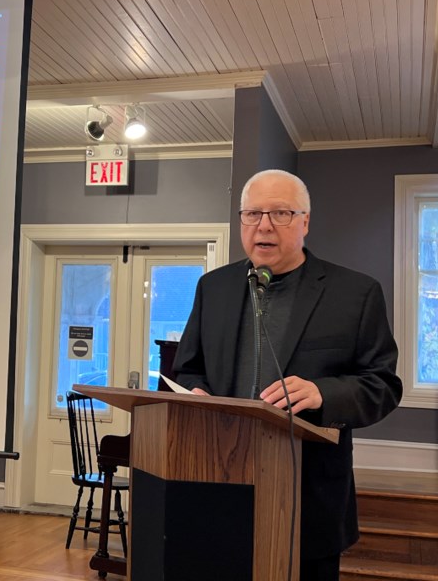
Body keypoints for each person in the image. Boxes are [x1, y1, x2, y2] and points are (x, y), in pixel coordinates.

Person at [172, 169, 402, 580]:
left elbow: (382, 385)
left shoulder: (355, 293)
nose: (264, 225)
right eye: (252, 214)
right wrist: (196, 393)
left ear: (305, 222)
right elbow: (189, 368)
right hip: (218, 484)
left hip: (306, 497)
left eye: (280, 213)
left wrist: (321, 393)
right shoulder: (214, 288)